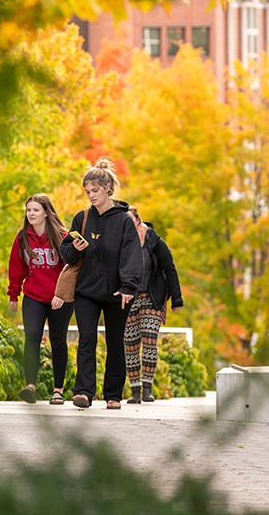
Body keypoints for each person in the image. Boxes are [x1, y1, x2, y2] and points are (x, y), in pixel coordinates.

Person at [59, 157, 142, 410]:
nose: (91, 196)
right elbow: (66, 254)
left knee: (116, 343)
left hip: (118, 293)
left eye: (95, 191)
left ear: (108, 188)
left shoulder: (125, 220)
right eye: (87, 192)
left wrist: (129, 287)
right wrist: (74, 247)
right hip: (87, 291)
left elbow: (132, 254)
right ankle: (83, 392)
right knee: (86, 340)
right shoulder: (82, 218)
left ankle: (113, 395)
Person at [7, 194, 74, 405]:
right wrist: (13, 294)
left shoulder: (62, 236)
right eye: (28, 210)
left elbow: (71, 268)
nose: (31, 214)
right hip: (34, 295)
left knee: (57, 340)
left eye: (36, 210)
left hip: (59, 298)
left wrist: (62, 294)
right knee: (32, 337)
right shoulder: (23, 237)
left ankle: (58, 390)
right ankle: (30, 387)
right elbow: (16, 267)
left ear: (46, 211)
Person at [124, 206, 183, 404]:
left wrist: (177, 299)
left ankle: (147, 388)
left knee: (149, 337)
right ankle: (135, 391)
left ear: (138, 220)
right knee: (130, 343)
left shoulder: (154, 240)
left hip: (152, 295)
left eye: (130, 221)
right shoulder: (120, 242)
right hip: (128, 298)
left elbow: (170, 268)